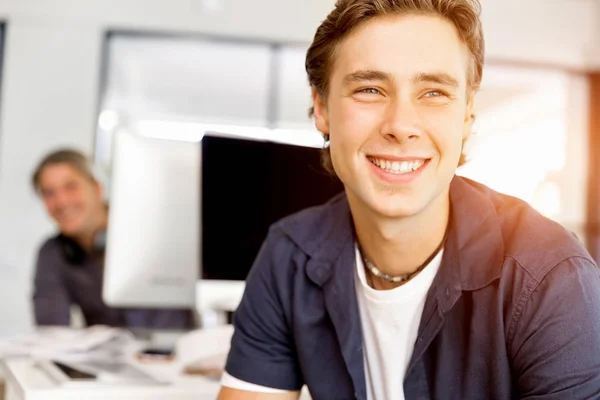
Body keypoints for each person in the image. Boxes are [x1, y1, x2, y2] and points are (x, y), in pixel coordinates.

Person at [217, 0, 600, 399]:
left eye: (433, 92)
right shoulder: (289, 257)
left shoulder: (550, 279)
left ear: (467, 115)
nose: (401, 125)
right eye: (369, 89)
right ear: (321, 107)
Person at [32, 149, 196, 329]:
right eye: (49, 193)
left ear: (97, 188)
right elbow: (51, 331)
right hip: (108, 355)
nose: (61, 201)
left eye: (71, 187)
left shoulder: (153, 230)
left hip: (177, 348)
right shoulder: (53, 253)